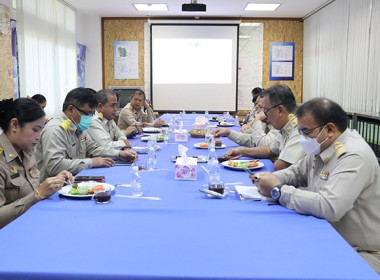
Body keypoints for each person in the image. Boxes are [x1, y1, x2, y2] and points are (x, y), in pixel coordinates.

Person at [253, 98, 380, 273]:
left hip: (361, 252)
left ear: (329, 129)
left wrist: (278, 191)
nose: (303, 138)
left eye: (306, 132)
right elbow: (296, 172)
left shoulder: (353, 155)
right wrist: (269, 178)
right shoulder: (322, 145)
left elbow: (329, 206)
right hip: (329, 236)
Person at [34, 87, 138, 181]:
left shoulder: (77, 125)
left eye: (92, 114)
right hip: (54, 190)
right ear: (71, 109)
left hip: (75, 179)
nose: (89, 118)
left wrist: (119, 155)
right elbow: (54, 166)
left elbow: (93, 148)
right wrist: (91, 162)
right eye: (87, 114)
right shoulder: (55, 129)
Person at [0, 98, 74, 229]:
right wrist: (37, 195)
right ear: (15, 125)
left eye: (41, 130)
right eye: (35, 129)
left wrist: (56, 180)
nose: (39, 136)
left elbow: (30, 187)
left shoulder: (26, 151)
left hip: (33, 221)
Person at [225, 84, 305, 171]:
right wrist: (242, 151)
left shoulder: (301, 129)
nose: (265, 115)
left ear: (280, 110)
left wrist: (257, 120)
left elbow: (281, 165)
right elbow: (270, 150)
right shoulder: (285, 127)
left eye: (266, 111)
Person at [214, 94, 280, 147]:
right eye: (256, 104)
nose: (256, 108)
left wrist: (257, 120)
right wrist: (228, 132)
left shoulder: (278, 125)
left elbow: (263, 145)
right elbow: (253, 140)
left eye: (260, 106)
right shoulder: (265, 120)